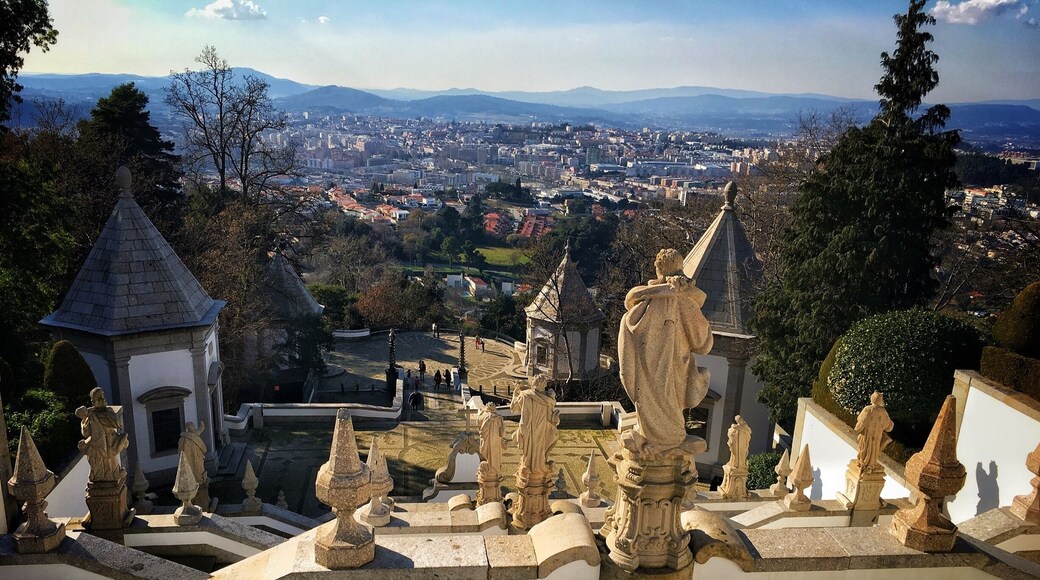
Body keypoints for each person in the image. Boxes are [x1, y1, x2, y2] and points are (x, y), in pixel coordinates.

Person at [618, 248, 713, 459]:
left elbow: (630, 306)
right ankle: (670, 442)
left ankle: (656, 441)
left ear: (658, 268)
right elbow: (703, 343)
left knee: (657, 401)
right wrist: (679, 292)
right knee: (672, 402)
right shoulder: (685, 301)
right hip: (676, 368)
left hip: (648, 373)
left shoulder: (644, 306)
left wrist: (669, 291)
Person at [76, 388, 129, 482]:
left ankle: (113, 475)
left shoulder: (108, 411)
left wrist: (92, 415)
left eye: (103, 396)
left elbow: (116, 423)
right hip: (96, 444)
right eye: (99, 398)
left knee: (111, 461)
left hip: (110, 442)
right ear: (93, 402)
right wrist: (85, 417)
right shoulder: (90, 415)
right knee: (97, 463)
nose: (103, 399)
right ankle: (99, 477)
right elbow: (86, 433)